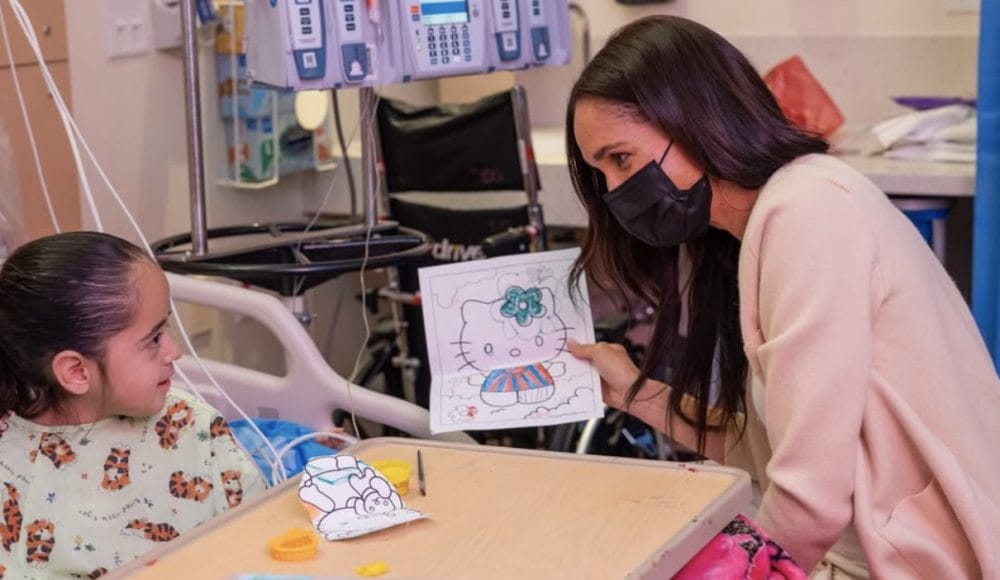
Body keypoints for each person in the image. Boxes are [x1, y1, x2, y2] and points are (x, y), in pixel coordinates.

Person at [564, 15, 1000, 579]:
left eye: (621, 159)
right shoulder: (758, 225)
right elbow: (774, 454)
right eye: (600, 173)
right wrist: (632, 390)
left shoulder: (808, 213)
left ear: (693, 120)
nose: (615, 191)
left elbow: (809, 500)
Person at [0, 231, 267, 578]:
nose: (174, 351)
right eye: (154, 339)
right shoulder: (10, 457)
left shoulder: (191, 429)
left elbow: (265, 541)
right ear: (77, 371)